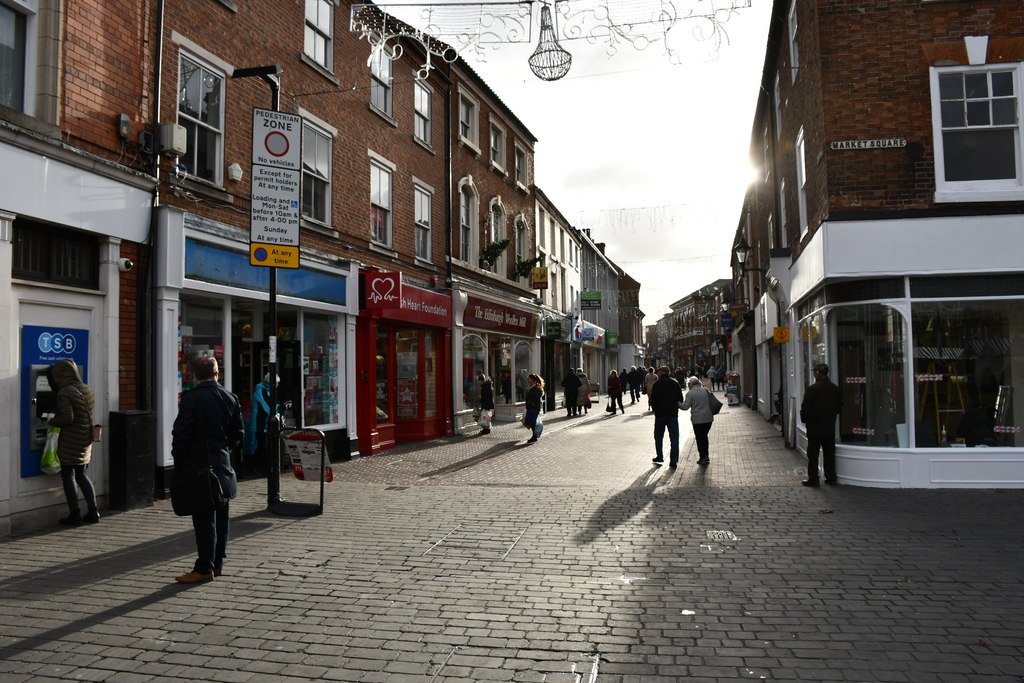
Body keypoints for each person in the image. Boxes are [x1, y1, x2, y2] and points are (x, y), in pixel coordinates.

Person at [171, 355, 243, 583]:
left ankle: (204, 568)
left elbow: (180, 434)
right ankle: (217, 563)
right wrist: (224, 450)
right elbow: (238, 432)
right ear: (216, 373)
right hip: (222, 466)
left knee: (203, 520)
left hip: (198, 468)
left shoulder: (191, 399)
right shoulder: (230, 398)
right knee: (221, 517)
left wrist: (180, 461)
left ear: (194, 375)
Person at [47, 359, 99, 526]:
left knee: (68, 475)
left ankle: (74, 514)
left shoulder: (64, 392)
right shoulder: (87, 388)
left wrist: (50, 421)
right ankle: (93, 511)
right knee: (82, 474)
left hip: (70, 440)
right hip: (85, 438)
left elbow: (67, 418)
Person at [800, 362, 843, 486]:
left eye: (814, 372)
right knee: (829, 454)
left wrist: (805, 420)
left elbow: (805, 408)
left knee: (813, 455)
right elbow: (839, 408)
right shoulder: (835, 389)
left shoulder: (812, 389)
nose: (813, 374)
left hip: (814, 428)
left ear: (818, 373)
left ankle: (813, 479)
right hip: (829, 427)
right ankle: (831, 477)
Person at [649, 366, 684, 467]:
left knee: (658, 436)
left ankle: (660, 456)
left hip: (660, 415)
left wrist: (655, 410)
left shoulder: (657, 384)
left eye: (658, 372)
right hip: (672, 414)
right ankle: (673, 460)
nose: (657, 374)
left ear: (663, 372)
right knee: (674, 437)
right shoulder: (674, 383)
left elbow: (652, 400)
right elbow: (680, 399)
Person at [679, 376, 715, 465]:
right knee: (704, 437)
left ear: (690, 384)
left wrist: (677, 403)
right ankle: (706, 456)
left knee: (700, 438)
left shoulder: (690, 393)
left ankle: (703, 457)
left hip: (698, 420)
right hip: (708, 418)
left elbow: (685, 407)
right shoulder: (706, 390)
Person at [249, 373, 279, 476]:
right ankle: (256, 467)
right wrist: (277, 413)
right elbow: (267, 407)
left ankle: (258, 467)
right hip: (259, 424)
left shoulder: (268, 390)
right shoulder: (261, 390)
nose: (277, 386)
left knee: (263, 447)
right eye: (276, 383)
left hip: (265, 424)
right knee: (262, 447)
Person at [524, 373, 545, 443]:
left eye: (529, 379)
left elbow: (537, 400)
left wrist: (536, 409)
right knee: (530, 422)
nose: (528, 380)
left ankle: (534, 436)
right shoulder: (530, 387)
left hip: (533, 409)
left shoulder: (535, 388)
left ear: (532, 380)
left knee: (533, 423)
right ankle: (534, 436)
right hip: (530, 408)